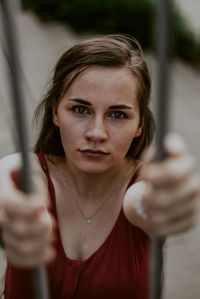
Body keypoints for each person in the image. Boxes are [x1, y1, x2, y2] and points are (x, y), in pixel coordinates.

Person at [0, 34, 199, 299]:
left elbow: (144, 203)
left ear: (139, 124)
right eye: (81, 110)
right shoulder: (21, 174)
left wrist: (165, 201)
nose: (96, 133)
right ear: (56, 111)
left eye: (117, 115)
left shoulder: (142, 187)